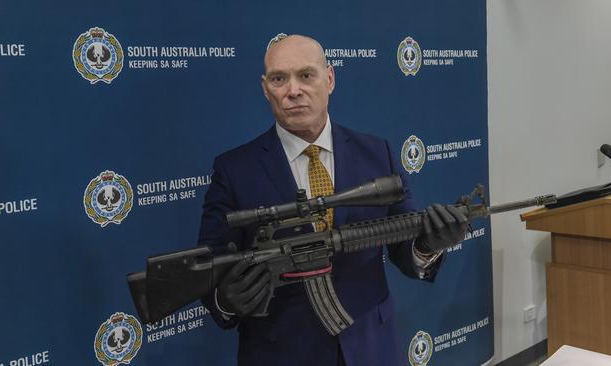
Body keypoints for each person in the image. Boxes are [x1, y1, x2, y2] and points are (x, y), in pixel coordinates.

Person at [197, 34, 468, 366]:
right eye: (279, 79)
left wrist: (427, 246)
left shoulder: (376, 153)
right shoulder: (235, 169)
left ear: (330, 78)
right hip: (281, 353)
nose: (293, 90)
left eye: (306, 75)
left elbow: (403, 246)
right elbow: (208, 267)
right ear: (266, 88)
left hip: (371, 347)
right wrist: (225, 300)